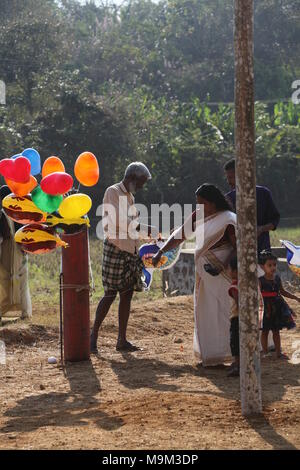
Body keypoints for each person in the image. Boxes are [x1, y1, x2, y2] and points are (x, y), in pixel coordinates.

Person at [153, 184, 237, 367]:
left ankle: (232, 355)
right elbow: (179, 235)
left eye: (203, 203)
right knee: (206, 312)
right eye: (197, 203)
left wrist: (223, 264)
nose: (199, 207)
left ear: (213, 203)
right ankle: (212, 355)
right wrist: (161, 252)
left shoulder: (229, 220)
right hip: (205, 278)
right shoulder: (198, 216)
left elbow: (237, 247)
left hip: (225, 276)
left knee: (225, 313)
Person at [90, 162, 156, 353]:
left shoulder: (130, 197)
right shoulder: (113, 192)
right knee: (110, 294)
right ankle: (93, 335)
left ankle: (122, 340)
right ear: (132, 178)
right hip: (116, 248)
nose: (142, 186)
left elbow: (132, 226)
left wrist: (148, 235)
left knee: (126, 294)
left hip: (129, 250)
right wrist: (146, 229)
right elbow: (120, 221)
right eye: (141, 182)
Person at [224, 159, 280, 254]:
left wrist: (260, 229)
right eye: (228, 178)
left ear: (241, 176)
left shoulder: (263, 193)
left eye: (231, 177)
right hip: (239, 252)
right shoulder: (228, 198)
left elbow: (274, 221)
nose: (228, 181)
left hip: (263, 250)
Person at [0, 185, 32, 324]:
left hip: (8, 250)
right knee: (22, 281)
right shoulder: (19, 212)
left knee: (4, 281)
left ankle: (2, 312)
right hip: (21, 249)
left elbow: (4, 235)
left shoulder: (2, 214)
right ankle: (25, 312)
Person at [259, 250, 298, 359]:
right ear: (262, 267)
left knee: (276, 331)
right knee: (265, 331)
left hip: (277, 308)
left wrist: (295, 298)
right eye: (269, 265)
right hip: (265, 309)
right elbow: (257, 295)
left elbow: (282, 292)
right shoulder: (260, 280)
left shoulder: (277, 278)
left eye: (274, 265)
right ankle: (265, 352)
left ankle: (278, 353)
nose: (273, 267)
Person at [227, 256, 240, 377]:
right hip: (248, 318)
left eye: (229, 269)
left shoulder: (234, 287)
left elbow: (239, 302)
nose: (228, 272)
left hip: (237, 317)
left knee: (235, 342)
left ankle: (238, 365)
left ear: (236, 271)